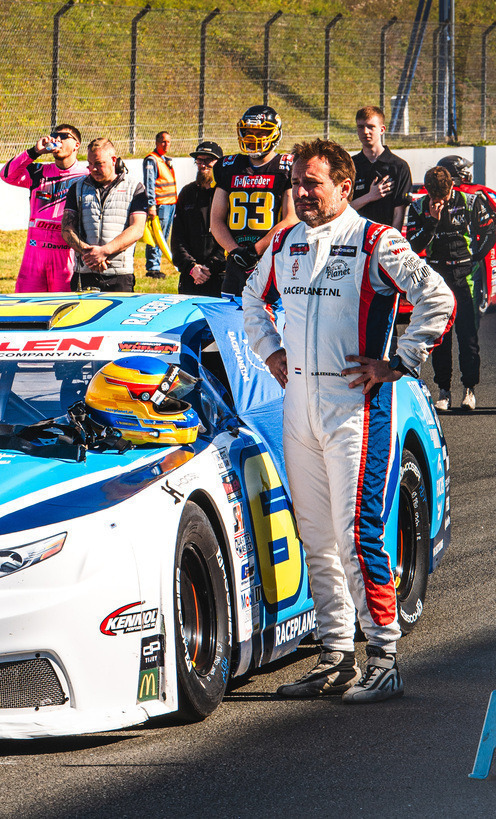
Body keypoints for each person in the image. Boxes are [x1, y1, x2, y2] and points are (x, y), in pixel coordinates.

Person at [242, 139, 454, 703]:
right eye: (295, 182)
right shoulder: (284, 242)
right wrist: (270, 351)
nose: (300, 192)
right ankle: (335, 655)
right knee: (315, 537)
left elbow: (438, 298)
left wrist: (399, 362)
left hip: (356, 409)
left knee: (356, 535)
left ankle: (383, 657)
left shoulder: (376, 240)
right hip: (298, 407)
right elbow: (250, 300)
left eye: (311, 182)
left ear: (343, 185)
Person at [405, 166, 496, 412]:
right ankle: (443, 391)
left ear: (452, 187)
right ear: (428, 192)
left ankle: (469, 389)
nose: (441, 202)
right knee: (440, 337)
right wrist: (432, 222)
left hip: (466, 276)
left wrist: (476, 256)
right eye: (436, 198)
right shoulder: (418, 207)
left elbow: (490, 229)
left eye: (444, 197)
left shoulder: (470, 202)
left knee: (468, 336)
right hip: (437, 278)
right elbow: (413, 245)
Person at [211, 105, 297, 296]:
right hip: (236, 262)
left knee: (270, 312)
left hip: (272, 259)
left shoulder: (286, 167)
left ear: (275, 134)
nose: (253, 138)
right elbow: (216, 220)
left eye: (260, 133)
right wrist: (236, 252)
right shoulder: (229, 166)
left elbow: (291, 218)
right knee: (231, 311)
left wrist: (255, 250)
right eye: (249, 132)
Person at [0, 125, 87, 292]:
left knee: (64, 306)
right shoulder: (39, 171)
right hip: (33, 257)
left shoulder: (86, 176)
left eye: (64, 136)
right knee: (26, 305)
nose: (57, 139)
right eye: (55, 135)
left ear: (77, 145)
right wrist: (34, 152)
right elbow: (6, 175)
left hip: (66, 256)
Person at [61, 138, 147, 292]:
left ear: (114, 160)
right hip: (84, 272)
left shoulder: (135, 187)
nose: (93, 169)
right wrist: (89, 254)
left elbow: (137, 229)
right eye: (90, 163)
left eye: (99, 163)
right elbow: (67, 229)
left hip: (119, 274)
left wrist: (105, 251)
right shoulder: (77, 188)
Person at [433, 155, 496, 314]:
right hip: (473, 252)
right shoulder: (475, 191)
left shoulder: (430, 195)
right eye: (463, 170)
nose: (467, 173)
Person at [171, 141, 226, 297]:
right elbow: (177, 238)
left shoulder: (226, 193)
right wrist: (191, 267)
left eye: (208, 160)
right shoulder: (187, 192)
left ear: (219, 163)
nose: (203, 165)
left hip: (219, 274)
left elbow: (230, 236)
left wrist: (210, 267)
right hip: (191, 276)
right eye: (199, 160)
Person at [350, 105, 412, 230]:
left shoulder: (399, 167)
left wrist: (392, 239)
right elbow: (342, 210)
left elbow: (399, 212)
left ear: (382, 129)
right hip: (354, 236)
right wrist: (370, 196)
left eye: (371, 127)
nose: (365, 131)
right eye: (361, 127)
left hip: (384, 236)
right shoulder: (349, 165)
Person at [143, 131, 177, 279]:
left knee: (164, 238)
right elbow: (149, 183)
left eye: (168, 142)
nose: (166, 144)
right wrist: (151, 205)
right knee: (157, 237)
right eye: (163, 141)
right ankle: (153, 268)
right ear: (157, 143)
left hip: (170, 204)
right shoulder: (152, 160)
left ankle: (157, 265)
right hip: (160, 205)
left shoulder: (165, 160)